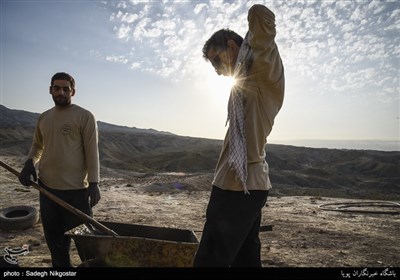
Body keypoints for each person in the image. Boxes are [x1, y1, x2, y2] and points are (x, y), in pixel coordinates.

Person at [193, 4, 284, 267]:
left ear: (232, 48)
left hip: (238, 189)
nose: (216, 69)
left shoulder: (264, 74)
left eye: (215, 60)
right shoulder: (244, 81)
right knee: (245, 259)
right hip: (239, 184)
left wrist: (248, 47)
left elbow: (260, 15)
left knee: (210, 260)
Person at [18, 72, 101, 267]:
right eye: (57, 88)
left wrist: (94, 183)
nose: (61, 92)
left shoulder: (84, 116)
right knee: (56, 245)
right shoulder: (44, 118)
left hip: (77, 193)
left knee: (87, 246)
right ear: (50, 90)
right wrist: (30, 162)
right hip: (47, 190)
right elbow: (38, 146)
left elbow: (92, 152)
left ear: (73, 91)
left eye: (66, 89)